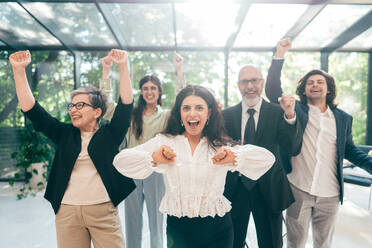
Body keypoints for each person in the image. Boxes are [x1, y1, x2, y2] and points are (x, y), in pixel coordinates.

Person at [113, 85, 276, 248]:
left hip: (219, 231)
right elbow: (120, 162)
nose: (192, 113)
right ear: (179, 113)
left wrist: (235, 158)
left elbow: (267, 159)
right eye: (186, 108)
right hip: (178, 233)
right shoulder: (165, 141)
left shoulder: (220, 145)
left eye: (199, 107)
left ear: (209, 113)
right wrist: (153, 158)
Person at [9, 49, 135, 248]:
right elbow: (33, 111)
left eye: (80, 105)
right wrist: (18, 71)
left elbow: (126, 105)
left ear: (97, 112)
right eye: (72, 106)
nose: (73, 110)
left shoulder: (110, 134)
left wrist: (123, 67)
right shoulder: (64, 133)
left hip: (103, 211)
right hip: (67, 212)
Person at [265, 38, 372, 248]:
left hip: (330, 193)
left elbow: (350, 150)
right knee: (295, 243)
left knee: (323, 244)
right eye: (310, 83)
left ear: (328, 89)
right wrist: (280, 54)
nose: (315, 85)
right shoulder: (297, 110)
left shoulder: (343, 118)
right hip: (299, 188)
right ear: (304, 90)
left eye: (320, 82)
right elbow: (272, 91)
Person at [100, 52, 185, 248]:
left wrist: (179, 71)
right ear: (140, 92)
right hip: (132, 171)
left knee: (157, 221)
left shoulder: (166, 116)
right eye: (145, 88)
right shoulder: (130, 114)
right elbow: (106, 106)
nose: (149, 91)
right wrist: (106, 71)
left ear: (159, 92)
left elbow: (182, 103)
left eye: (153, 88)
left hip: (157, 170)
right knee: (132, 222)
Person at [222, 61, 303, 247]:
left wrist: (290, 116)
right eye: (244, 82)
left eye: (254, 80)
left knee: (271, 243)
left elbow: (292, 147)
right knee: (232, 242)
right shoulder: (226, 115)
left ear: (262, 82)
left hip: (269, 188)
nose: (249, 86)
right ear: (238, 85)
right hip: (236, 188)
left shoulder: (278, 112)